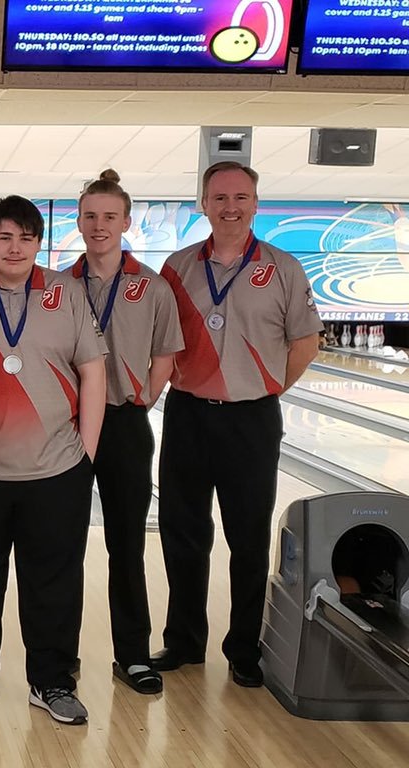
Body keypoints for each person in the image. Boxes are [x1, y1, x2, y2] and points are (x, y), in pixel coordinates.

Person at [153, 161, 323, 687]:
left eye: (241, 197)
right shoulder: (176, 267)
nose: (230, 207)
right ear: (203, 204)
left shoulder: (284, 268)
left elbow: (306, 343)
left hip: (252, 419)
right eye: (220, 197)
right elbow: (160, 343)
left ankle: (244, 648)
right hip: (186, 415)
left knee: (248, 538)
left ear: (255, 203)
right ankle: (183, 641)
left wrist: (265, 390)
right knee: (183, 533)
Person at [0, 195, 106, 724]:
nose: (15, 247)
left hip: (58, 468)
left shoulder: (66, 291)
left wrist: (87, 456)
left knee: (54, 581)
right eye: (5, 237)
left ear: (39, 243)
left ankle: (52, 683)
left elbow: (93, 373)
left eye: (26, 238)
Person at [68, 170, 184, 695]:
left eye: (109, 216)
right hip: (66, 428)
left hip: (124, 424)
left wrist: (143, 399)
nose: (98, 225)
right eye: (90, 216)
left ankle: (132, 655)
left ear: (126, 222)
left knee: (126, 545)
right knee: (61, 545)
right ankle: (59, 655)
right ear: (78, 221)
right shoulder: (58, 287)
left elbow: (166, 353)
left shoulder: (152, 287)